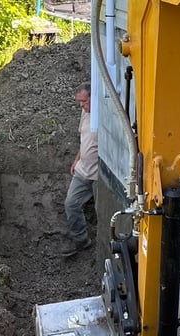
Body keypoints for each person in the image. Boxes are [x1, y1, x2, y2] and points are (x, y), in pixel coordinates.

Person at [61, 82, 98, 257]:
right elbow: (84, 141)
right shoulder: (85, 112)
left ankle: (103, 248)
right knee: (71, 204)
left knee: (102, 213)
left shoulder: (106, 115)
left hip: (100, 177)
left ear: (94, 97)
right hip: (83, 171)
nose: (82, 106)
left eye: (84, 101)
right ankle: (82, 242)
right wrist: (76, 160)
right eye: (79, 102)